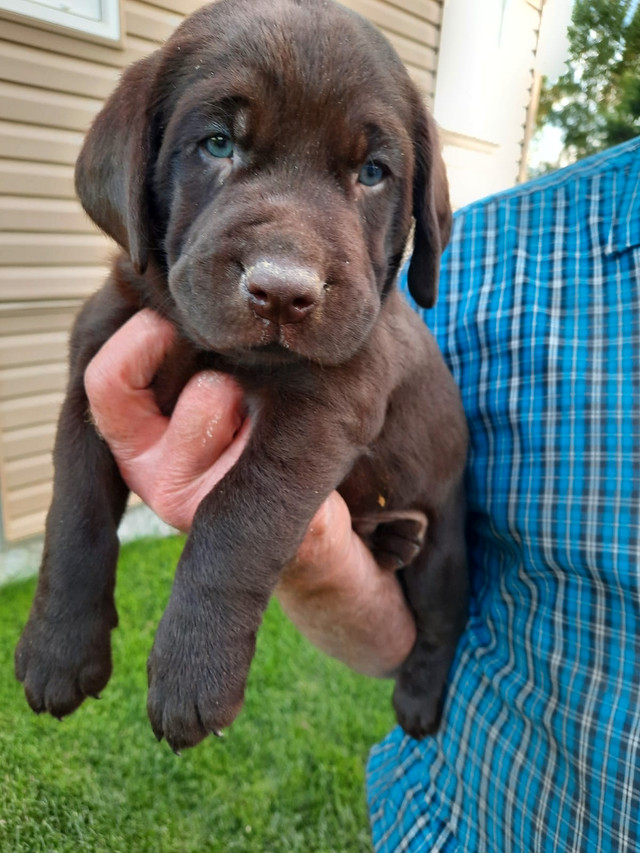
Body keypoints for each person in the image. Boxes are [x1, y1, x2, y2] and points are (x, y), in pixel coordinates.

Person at [85, 135, 640, 851]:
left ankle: (434, 661)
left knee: (444, 574)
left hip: (425, 493)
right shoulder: (497, 247)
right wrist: (317, 548)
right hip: (438, 820)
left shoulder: (412, 256)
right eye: (221, 144)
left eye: (370, 172)